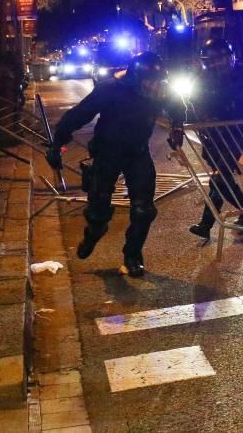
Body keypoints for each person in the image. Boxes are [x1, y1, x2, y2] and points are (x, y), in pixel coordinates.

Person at [46, 52, 180, 277]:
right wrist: (57, 144)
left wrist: (177, 126)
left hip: (137, 152)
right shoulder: (110, 90)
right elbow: (77, 116)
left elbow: (176, 107)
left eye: (157, 83)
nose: (153, 88)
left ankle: (132, 255)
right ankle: (93, 233)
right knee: (98, 211)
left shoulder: (159, 90)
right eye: (148, 82)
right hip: (108, 153)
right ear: (136, 78)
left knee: (143, 210)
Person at [187, 39, 243, 240]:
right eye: (212, 61)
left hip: (238, 130)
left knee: (219, 176)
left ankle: (206, 224)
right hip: (213, 133)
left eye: (221, 59)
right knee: (222, 176)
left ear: (230, 58)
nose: (218, 65)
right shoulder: (201, 78)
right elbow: (193, 102)